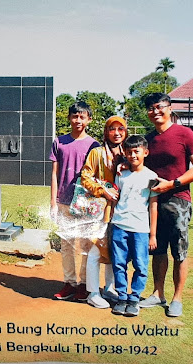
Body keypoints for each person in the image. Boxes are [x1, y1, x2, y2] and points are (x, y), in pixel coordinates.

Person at [139, 93, 193, 317]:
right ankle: (158, 294)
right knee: (157, 250)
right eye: (150, 108)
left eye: (159, 107)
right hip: (154, 203)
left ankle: (177, 298)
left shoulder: (185, 133)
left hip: (179, 201)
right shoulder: (148, 140)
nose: (155, 111)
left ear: (169, 108)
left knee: (179, 252)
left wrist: (172, 184)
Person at [49, 101, 100, 301]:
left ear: (89, 119)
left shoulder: (94, 145)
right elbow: (54, 173)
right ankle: (69, 283)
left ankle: (85, 284)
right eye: (75, 116)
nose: (78, 120)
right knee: (67, 244)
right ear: (69, 118)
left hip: (86, 202)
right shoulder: (58, 142)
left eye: (82, 117)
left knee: (87, 245)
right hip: (64, 200)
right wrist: (53, 201)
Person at [80, 116, 127, 309]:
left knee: (114, 251)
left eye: (120, 129)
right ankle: (92, 292)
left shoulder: (129, 153)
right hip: (99, 210)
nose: (116, 133)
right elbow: (85, 176)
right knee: (94, 250)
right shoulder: (97, 153)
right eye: (112, 129)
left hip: (122, 211)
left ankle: (110, 288)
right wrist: (102, 190)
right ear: (106, 132)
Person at [109, 135, 158, 317]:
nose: (133, 155)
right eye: (129, 152)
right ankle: (122, 297)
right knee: (119, 263)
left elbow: (153, 206)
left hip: (140, 229)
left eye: (136, 152)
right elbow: (116, 198)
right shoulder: (121, 173)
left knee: (140, 264)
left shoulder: (152, 177)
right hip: (120, 225)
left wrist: (152, 234)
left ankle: (134, 298)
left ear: (145, 152)